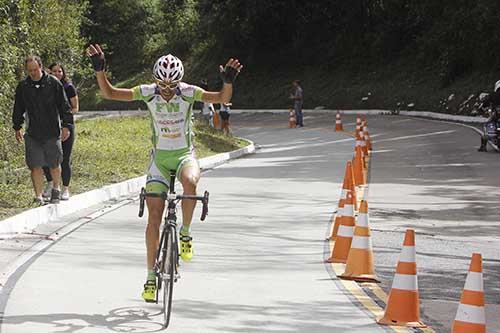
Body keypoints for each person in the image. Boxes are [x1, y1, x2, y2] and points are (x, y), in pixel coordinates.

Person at [86, 44, 243, 302]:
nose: (168, 91)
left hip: (183, 155)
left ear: (180, 82)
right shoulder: (148, 93)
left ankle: (185, 233)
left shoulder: (189, 93)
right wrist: (100, 69)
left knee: (191, 182)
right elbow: (110, 93)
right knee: (153, 219)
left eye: (173, 86)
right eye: (163, 85)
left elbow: (221, 99)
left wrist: (227, 82)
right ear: (156, 81)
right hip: (159, 160)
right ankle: (150, 277)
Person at [12, 56, 73, 205]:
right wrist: (17, 126)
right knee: (35, 165)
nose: (33, 73)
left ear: (41, 67)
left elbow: (64, 106)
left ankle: (56, 189)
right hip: (33, 132)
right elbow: (18, 107)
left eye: (35, 69)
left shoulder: (53, 83)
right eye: (30, 70)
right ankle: (38, 196)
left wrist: (66, 125)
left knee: (54, 163)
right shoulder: (23, 86)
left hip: (52, 131)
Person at [42, 63, 79, 200]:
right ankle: (51, 184)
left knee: (65, 158)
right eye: (54, 71)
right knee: (47, 158)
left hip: (66, 126)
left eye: (60, 71)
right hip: (49, 127)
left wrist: (64, 117)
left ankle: (65, 188)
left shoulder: (68, 88)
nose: (57, 73)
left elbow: (75, 107)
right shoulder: (46, 87)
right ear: (49, 72)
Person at [478, 80, 500, 152]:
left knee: (487, 125)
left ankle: (483, 146)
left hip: (496, 115)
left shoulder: (493, 95)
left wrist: (481, 109)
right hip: (496, 115)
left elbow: (485, 103)